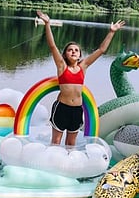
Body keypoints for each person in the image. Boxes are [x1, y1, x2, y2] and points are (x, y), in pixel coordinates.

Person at [36, 10, 125, 146]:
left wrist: (112, 32)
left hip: (77, 110)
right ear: (65, 55)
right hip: (61, 108)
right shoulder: (62, 66)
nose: (73, 52)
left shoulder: (83, 66)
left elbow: (101, 50)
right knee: (56, 142)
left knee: (71, 143)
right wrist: (47, 23)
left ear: (79, 55)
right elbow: (52, 46)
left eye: (76, 50)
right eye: (70, 50)